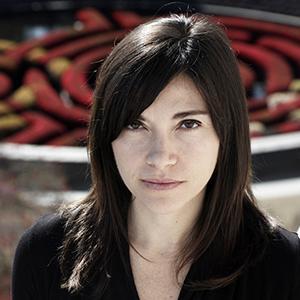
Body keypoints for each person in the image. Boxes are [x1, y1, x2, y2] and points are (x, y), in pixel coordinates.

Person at [12, 13, 300, 300]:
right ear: (106, 135)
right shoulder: (47, 253)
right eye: (135, 124)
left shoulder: (284, 268)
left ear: (226, 133)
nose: (161, 158)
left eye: (188, 124)